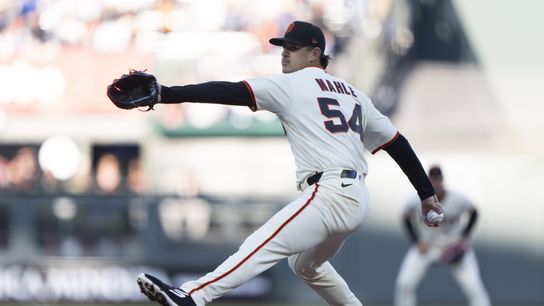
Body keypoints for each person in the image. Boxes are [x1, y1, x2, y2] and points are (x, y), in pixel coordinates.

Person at [131, 20, 443, 306]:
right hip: (357, 199)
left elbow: (230, 91)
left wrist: (166, 94)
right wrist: (426, 195)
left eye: (293, 49)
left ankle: (194, 296)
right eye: (283, 48)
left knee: (262, 243)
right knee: (303, 264)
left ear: (314, 54)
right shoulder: (356, 95)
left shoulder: (293, 84)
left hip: (330, 193)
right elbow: (397, 143)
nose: (284, 55)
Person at [394, 165, 491, 306]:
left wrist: (464, 238)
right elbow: (404, 215)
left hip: (452, 245)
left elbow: (474, 212)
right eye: (432, 180)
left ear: (442, 180)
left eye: (437, 179)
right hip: (428, 246)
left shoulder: (457, 198)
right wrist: (416, 241)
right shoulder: (417, 199)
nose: (435, 183)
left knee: (473, 286)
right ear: (428, 181)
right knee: (404, 283)